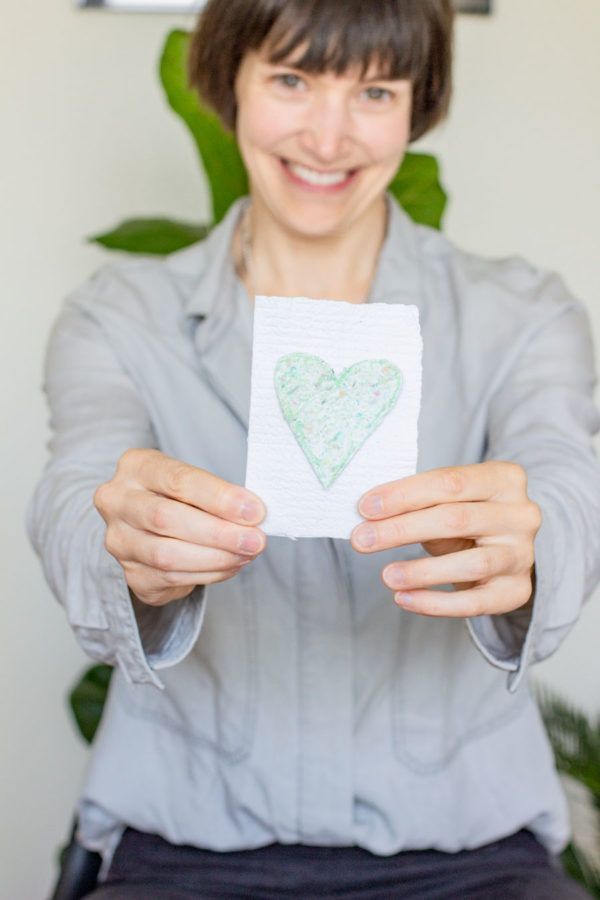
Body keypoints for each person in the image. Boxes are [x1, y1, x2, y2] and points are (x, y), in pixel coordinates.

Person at [26, 0, 600, 897]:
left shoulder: (523, 319)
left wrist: (531, 547)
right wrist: (124, 548)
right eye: (292, 79)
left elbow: (567, 486)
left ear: (420, 106)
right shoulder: (121, 315)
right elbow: (75, 491)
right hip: (186, 846)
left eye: (374, 90)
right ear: (230, 83)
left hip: (471, 856)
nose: (328, 138)